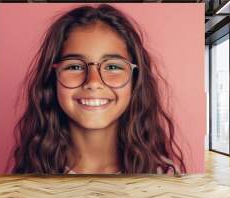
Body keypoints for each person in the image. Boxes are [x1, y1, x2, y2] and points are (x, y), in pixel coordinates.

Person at [11, 4, 186, 176]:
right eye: (74, 67)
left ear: (135, 80)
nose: (93, 82)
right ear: (52, 78)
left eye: (112, 67)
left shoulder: (164, 176)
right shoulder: (28, 175)